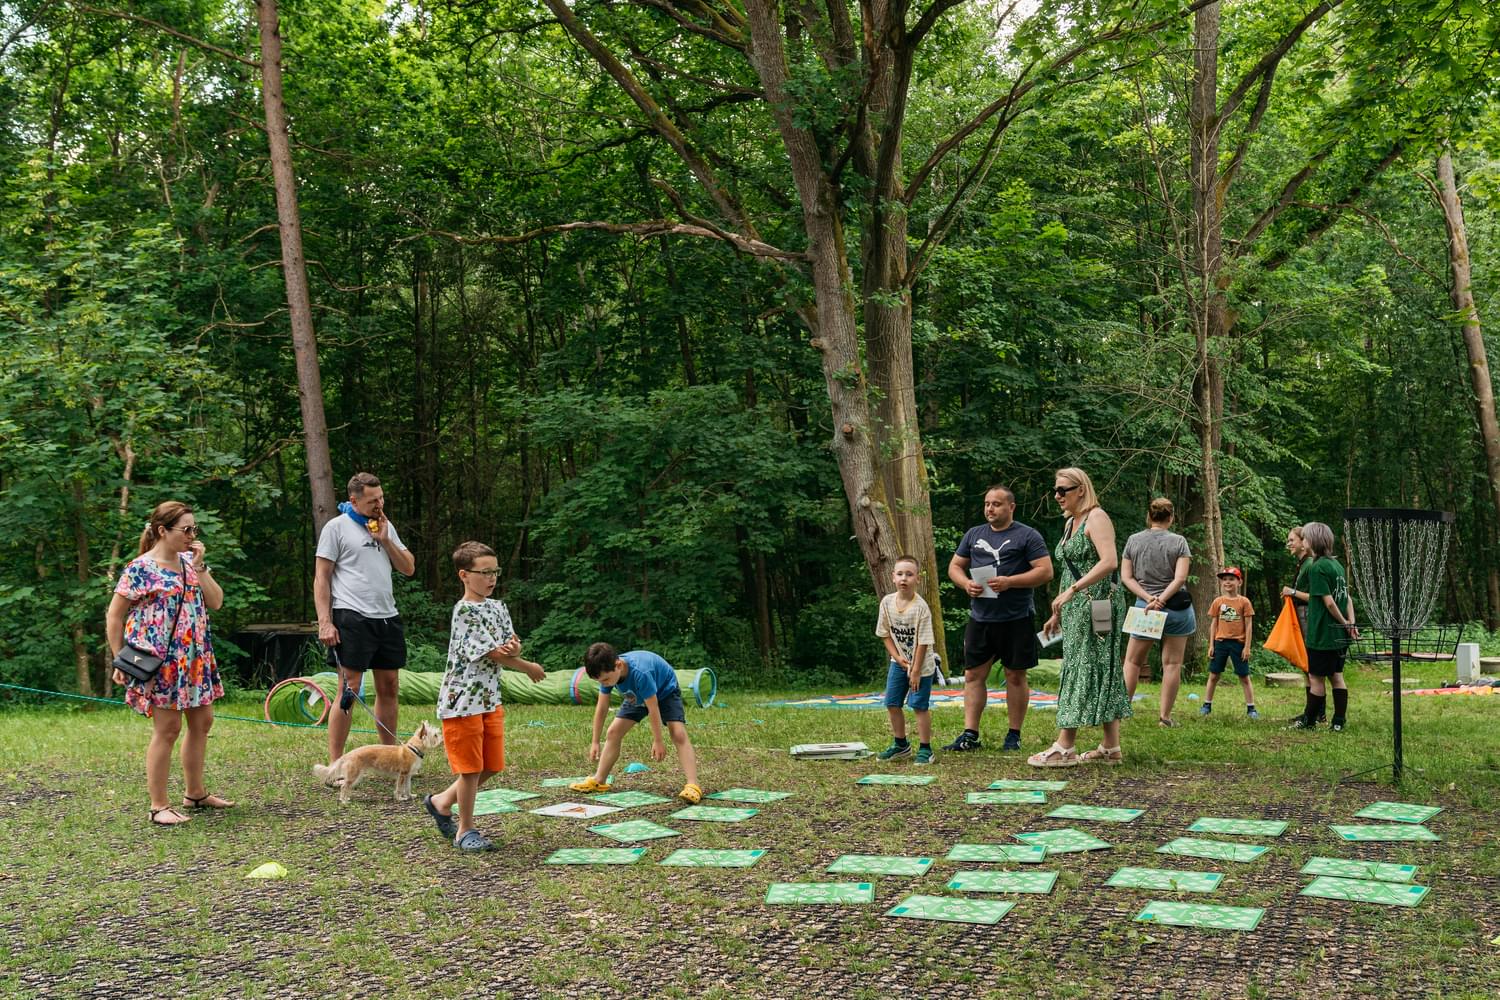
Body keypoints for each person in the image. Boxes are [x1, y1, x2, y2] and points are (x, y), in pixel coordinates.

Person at [105, 501, 233, 825]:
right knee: (168, 729)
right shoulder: (140, 568)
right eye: (185, 529)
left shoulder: (191, 563)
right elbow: (115, 615)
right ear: (163, 530)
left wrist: (201, 566)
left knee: (202, 723)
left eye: (194, 529)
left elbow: (216, 601)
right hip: (161, 663)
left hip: (194, 658)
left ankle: (196, 794)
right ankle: (158, 806)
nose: (192, 536)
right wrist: (120, 658)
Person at [422, 542, 545, 851]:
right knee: (470, 768)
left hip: (489, 698)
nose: (491, 578)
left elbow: (508, 643)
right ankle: (465, 831)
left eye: (495, 572)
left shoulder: (497, 606)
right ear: (464, 575)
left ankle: (441, 802)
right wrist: (526, 666)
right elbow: (493, 652)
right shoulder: (464, 611)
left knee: (492, 764)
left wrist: (516, 649)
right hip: (462, 702)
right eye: (484, 572)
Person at [1029, 468, 1130, 767]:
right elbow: (1071, 569)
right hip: (1077, 606)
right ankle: (1111, 747)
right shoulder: (1071, 522)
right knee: (1096, 666)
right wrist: (1058, 611)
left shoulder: (1096, 518)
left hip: (1097, 603)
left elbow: (1110, 561)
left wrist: (1072, 590)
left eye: (1063, 490)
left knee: (1085, 666)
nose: (1057, 496)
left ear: (1081, 489)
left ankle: (1065, 746)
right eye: (1055, 490)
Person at [943, 485, 1053, 753]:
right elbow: (955, 566)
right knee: (972, 675)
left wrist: (1010, 582)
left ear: (1011, 507)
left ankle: (1013, 735)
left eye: (997, 504)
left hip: (1016, 616)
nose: (990, 509)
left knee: (1015, 675)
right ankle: (970, 734)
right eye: (987, 504)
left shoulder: (1028, 535)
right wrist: (965, 584)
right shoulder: (974, 534)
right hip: (981, 616)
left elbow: (1045, 571)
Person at [315, 472, 416, 765]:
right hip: (351, 615)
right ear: (354, 500)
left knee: (389, 687)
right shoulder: (336, 528)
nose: (379, 504)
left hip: (387, 616)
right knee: (350, 689)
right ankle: (336, 764)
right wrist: (325, 621)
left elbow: (408, 568)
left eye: (381, 498)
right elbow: (321, 578)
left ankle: (392, 758)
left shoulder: (385, 526)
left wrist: (386, 540)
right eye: (372, 500)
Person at [569, 645, 702, 803]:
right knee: (613, 732)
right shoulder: (607, 674)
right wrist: (595, 741)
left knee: (678, 734)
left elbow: (653, 708)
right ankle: (599, 780)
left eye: (605, 680)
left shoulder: (641, 673)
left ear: (618, 665)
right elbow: (602, 707)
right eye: (599, 681)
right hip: (635, 695)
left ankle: (693, 785)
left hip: (664, 692)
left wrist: (658, 740)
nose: (604, 684)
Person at [1120, 498, 1194, 726]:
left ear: (1149, 516)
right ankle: (1165, 718)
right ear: (1171, 518)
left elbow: (1126, 577)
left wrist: (1148, 599)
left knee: (1132, 662)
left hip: (1145, 610)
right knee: (1171, 664)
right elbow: (1180, 578)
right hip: (1176, 609)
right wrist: (1161, 599)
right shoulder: (1179, 541)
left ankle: (1121, 714)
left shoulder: (1133, 540)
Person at [1290, 522, 1358, 732]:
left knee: (1316, 678)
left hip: (1322, 633)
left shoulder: (1317, 567)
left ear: (1313, 541)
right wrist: (1350, 623)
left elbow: (1328, 602)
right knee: (1337, 676)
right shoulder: (1336, 565)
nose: (1305, 540)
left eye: (1306, 537)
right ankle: (1338, 722)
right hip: (1339, 635)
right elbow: (1347, 598)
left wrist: (1344, 622)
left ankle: (1309, 721)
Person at [875, 555, 939, 764]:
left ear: (917, 579)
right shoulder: (887, 602)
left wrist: (916, 670)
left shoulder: (921, 607)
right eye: (900, 574)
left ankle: (925, 749)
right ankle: (901, 745)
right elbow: (884, 634)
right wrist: (898, 658)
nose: (904, 578)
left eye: (909, 574)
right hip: (900, 663)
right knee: (892, 703)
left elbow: (923, 642)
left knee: (919, 705)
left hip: (923, 666)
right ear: (893, 577)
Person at [1200, 567, 1258, 719]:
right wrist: (1211, 645)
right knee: (1213, 675)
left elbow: (1249, 625)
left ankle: (1251, 708)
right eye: (1225, 579)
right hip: (1220, 643)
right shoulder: (1218, 601)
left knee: (1244, 676)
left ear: (1239, 582)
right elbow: (1214, 623)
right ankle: (1207, 704)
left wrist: (1247, 647)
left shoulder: (1244, 602)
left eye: (1231, 579)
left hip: (1238, 643)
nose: (1227, 582)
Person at [1280, 526, 1323, 722]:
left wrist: (1293, 592)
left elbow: (1317, 596)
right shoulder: (1302, 564)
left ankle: (1316, 713)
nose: (1289, 544)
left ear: (1304, 544)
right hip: (1299, 615)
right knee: (1305, 665)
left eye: (1292, 540)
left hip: (1307, 616)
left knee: (1310, 665)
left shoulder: (1310, 565)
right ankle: (1311, 711)